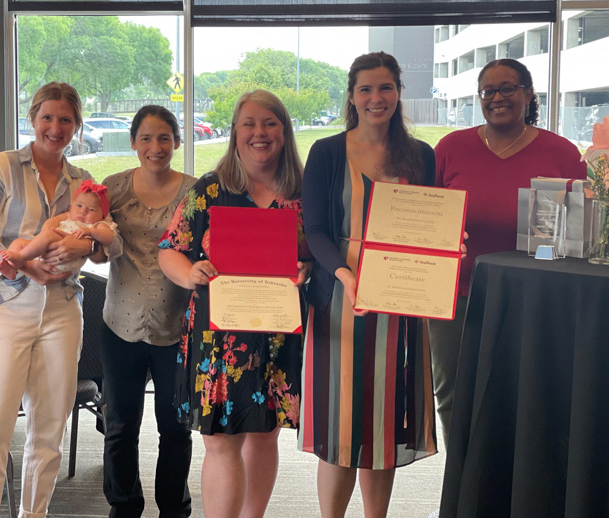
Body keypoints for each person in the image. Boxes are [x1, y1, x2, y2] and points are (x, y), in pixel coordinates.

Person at [0, 82, 115, 518]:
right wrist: (21, 264)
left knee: (49, 431)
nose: (55, 127)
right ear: (32, 119)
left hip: (64, 310)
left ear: (76, 126)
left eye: (65, 120)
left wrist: (87, 248)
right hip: (3, 309)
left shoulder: (84, 185)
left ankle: (35, 514)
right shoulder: (3, 167)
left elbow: (105, 244)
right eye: (47, 117)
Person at [158, 90, 311, 518]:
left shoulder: (304, 192)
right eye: (249, 123)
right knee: (221, 439)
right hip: (218, 336)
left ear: (285, 131)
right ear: (234, 132)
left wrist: (308, 268)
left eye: (270, 123)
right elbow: (169, 248)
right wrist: (188, 273)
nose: (259, 133)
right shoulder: (210, 188)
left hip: (279, 333)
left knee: (265, 434)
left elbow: (318, 251)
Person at [299, 52, 438, 518]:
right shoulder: (326, 151)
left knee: (383, 422)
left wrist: (447, 243)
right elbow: (316, 229)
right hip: (340, 297)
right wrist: (345, 275)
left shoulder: (421, 156)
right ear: (352, 96)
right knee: (339, 424)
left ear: (398, 92)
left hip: (402, 298)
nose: (376, 98)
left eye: (385, 88)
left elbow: (427, 224)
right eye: (365, 89)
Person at [429, 58, 587, 451]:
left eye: (508, 88)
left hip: (532, 298)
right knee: (453, 396)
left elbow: (582, 233)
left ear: (529, 94)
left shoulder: (563, 153)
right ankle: (461, 491)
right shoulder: (451, 148)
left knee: (525, 396)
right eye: (488, 91)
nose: (497, 98)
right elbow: (426, 214)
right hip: (457, 297)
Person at [100, 105, 196, 518]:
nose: (155, 147)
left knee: (175, 427)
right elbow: (95, 242)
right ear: (134, 142)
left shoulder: (195, 191)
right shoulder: (112, 188)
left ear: (176, 141)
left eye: (163, 138)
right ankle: (124, 506)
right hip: (119, 323)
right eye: (145, 138)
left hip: (178, 326)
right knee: (120, 425)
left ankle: (173, 507)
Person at [0, 180, 115, 280]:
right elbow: (51, 222)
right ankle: (12, 268)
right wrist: (45, 234)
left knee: (49, 235)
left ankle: (21, 258)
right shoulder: (69, 216)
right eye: (79, 206)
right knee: (18, 243)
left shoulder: (97, 225)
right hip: (47, 251)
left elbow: (109, 237)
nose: (83, 212)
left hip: (68, 259)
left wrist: (91, 232)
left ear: (102, 215)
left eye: (91, 210)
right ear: (72, 204)